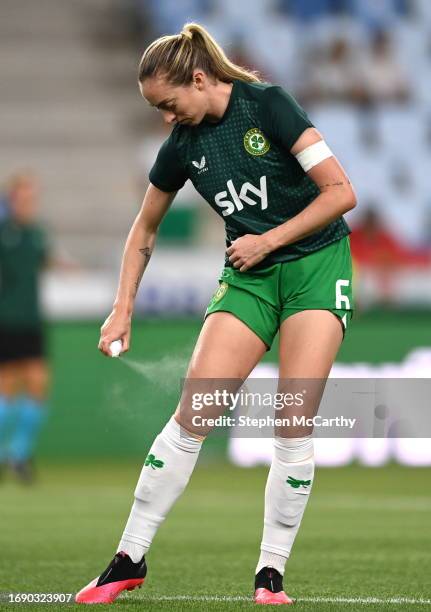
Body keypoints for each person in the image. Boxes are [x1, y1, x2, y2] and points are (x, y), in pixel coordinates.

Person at [75, 22, 356, 605]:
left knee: (292, 418)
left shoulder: (268, 105)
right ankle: (128, 558)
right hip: (249, 278)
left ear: (199, 80)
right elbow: (143, 230)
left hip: (317, 266)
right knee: (194, 412)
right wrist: (122, 307)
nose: (166, 118)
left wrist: (269, 240)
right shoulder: (181, 144)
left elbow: (339, 192)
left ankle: (270, 574)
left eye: (169, 104)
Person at [0, 173, 51, 483]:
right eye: (23, 197)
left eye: (32, 197)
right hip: (5, 321)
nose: (29, 203)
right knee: (5, 389)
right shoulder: (3, 232)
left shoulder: (37, 234)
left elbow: (45, 262)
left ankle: (18, 454)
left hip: (32, 320)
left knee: (37, 386)